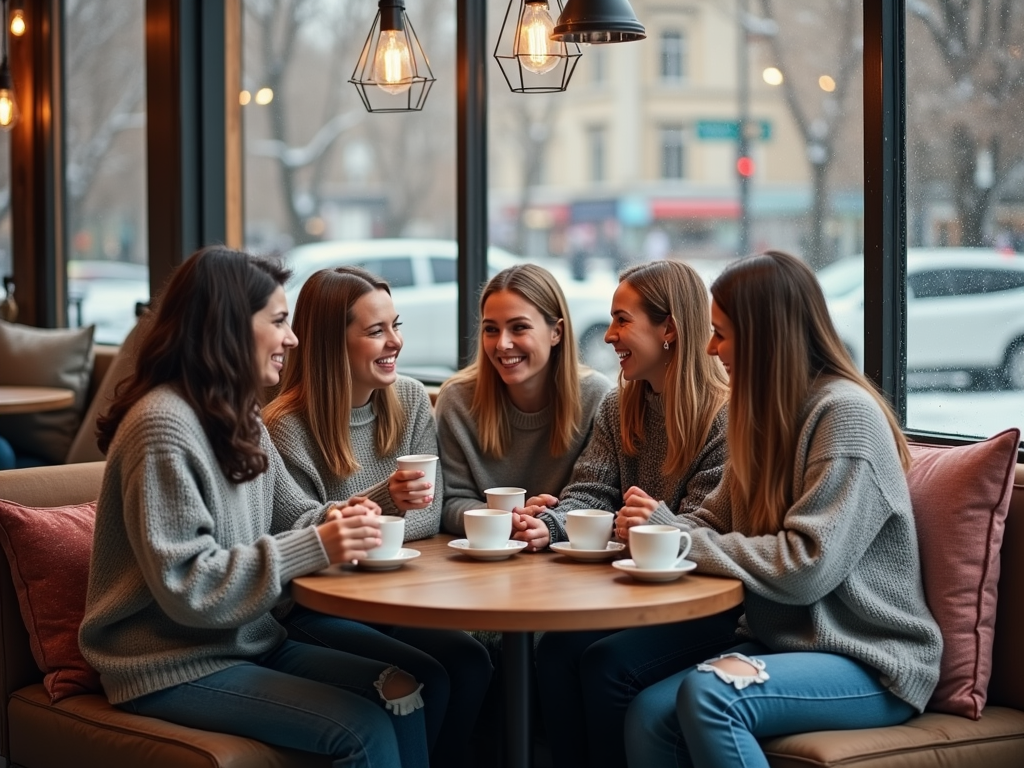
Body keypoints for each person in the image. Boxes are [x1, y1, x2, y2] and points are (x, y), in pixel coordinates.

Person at [78, 247, 430, 768]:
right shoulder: (163, 426)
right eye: (279, 321)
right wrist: (317, 543)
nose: (292, 338)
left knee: (405, 687)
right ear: (229, 327)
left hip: (246, 639)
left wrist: (362, 510)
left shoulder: (243, 417)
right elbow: (190, 586)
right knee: (362, 728)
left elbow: (297, 518)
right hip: (170, 662)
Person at [624, 251, 943, 768]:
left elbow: (805, 567)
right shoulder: (758, 415)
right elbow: (712, 521)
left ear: (765, 335)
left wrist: (677, 540)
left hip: (868, 657)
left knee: (710, 697)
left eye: (721, 333)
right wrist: (658, 530)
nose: (709, 348)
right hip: (784, 645)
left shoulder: (846, 417)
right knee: (647, 715)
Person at [263, 266, 492, 767]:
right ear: (330, 343)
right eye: (375, 331)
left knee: (471, 660)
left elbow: (428, 514)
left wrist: (365, 527)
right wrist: (385, 502)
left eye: (396, 325)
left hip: (391, 599)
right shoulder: (285, 428)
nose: (395, 342)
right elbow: (300, 539)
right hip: (314, 609)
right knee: (427, 673)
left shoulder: (409, 399)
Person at [513, 259, 738, 768]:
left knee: (607, 664)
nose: (610, 334)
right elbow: (589, 492)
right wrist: (546, 525)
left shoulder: (725, 416)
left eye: (621, 320)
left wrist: (657, 523)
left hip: (709, 607)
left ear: (669, 330)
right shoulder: (622, 405)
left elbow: (711, 529)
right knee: (552, 651)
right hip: (635, 596)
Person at [434, 263, 611, 535]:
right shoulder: (458, 400)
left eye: (519, 327)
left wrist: (547, 521)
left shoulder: (596, 398)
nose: (503, 344)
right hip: (483, 555)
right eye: (491, 329)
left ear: (557, 332)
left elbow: (599, 498)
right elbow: (450, 502)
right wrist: (508, 519)